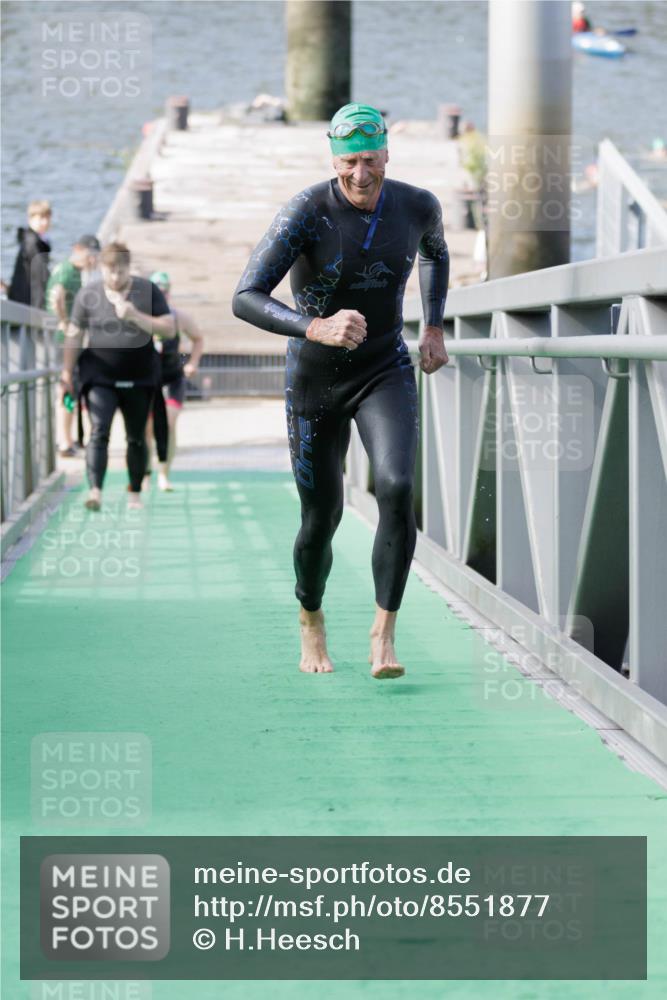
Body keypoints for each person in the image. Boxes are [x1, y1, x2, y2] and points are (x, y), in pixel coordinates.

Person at [233, 102, 449, 680]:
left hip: (384, 367)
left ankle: (384, 633)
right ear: (334, 160)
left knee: (398, 487)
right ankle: (311, 616)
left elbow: (436, 252)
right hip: (315, 378)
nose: (361, 175)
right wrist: (315, 326)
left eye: (371, 161)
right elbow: (245, 295)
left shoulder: (417, 204)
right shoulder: (306, 210)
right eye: (349, 162)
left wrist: (433, 325)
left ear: (387, 155)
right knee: (320, 516)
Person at [61, 242, 175, 511]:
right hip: (100, 378)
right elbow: (74, 335)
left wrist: (135, 315)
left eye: (120, 272)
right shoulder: (88, 293)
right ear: (101, 268)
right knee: (99, 432)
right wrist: (66, 372)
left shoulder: (147, 290)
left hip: (140, 378)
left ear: (128, 268)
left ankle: (134, 494)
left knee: (136, 437)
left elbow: (169, 329)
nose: (114, 278)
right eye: (110, 272)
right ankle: (95, 492)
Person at [145, 271, 205, 491]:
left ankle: (164, 474)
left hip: (172, 378)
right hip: (149, 380)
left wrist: (193, 363)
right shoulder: (140, 317)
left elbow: (198, 339)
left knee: (168, 424)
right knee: (146, 429)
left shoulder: (179, 317)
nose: (162, 295)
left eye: (165, 290)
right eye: (157, 291)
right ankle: (145, 471)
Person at [46, 234, 101, 457]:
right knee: (67, 387)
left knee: (71, 387)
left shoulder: (76, 273)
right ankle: (64, 441)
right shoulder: (67, 271)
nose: (93, 260)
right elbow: (56, 296)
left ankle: (68, 438)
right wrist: (64, 322)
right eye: (90, 255)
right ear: (78, 249)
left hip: (71, 340)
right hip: (64, 341)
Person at [8, 199, 52, 309]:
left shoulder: (31, 240)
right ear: (30, 219)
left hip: (20, 300)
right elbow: (40, 277)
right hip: (27, 302)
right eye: (41, 218)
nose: (45, 222)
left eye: (47, 217)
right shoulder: (32, 243)